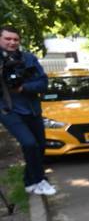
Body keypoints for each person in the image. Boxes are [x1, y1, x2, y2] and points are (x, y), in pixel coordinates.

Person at [0, 26, 55, 196]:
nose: (12, 42)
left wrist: (24, 88)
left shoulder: (28, 58)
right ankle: (40, 180)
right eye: (8, 39)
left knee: (40, 147)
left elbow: (43, 83)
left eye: (15, 39)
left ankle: (29, 182)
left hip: (32, 109)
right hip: (8, 110)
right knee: (29, 143)